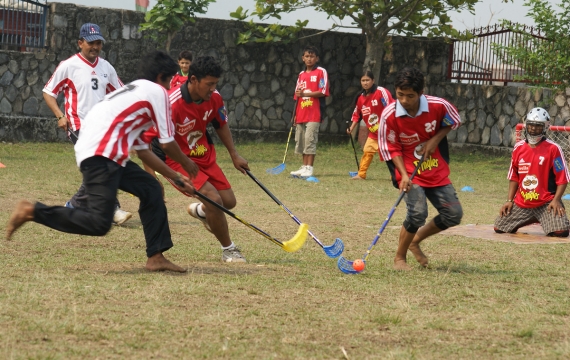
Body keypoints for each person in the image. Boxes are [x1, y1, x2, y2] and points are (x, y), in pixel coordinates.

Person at [6, 51, 199, 272]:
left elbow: (144, 152)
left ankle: (156, 256)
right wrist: (186, 163)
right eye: (171, 79)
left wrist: (174, 177)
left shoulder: (134, 91)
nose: (172, 85)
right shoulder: (157, 92)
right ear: (163, 77)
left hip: (104, 151)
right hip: (103, 154)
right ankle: (33, 211)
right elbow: (166, 143)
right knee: (98, 223)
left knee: (151, 188)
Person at [142, 56, 250, 263]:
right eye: (209, 84)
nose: (213, 89)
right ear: (193, 80)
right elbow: (145, 142)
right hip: (175, 161)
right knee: (215, 201)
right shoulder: (171, 104)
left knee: (228, 201)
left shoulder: (214, 97)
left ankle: (202, 211)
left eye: (215, 84)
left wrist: (234, 155)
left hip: (203, 154)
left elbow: (220, 124)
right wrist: (152, 177)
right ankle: (229, 249)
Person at [43, 22, 132, 225]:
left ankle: (74, 205)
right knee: (100, 164)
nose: (95, 47)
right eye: (91, 43)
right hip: (78, 125)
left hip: (102, 127)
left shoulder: (106, 67)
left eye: (98, 43)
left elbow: (120, 93)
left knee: (101, 166)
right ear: (80, 43)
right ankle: (113, 208)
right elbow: (48, 92)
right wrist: (59, 116)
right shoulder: (68, 66)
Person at [378, 67, 463, 271]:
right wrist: (404, 176)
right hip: (407, 169)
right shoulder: (389, 114)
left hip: (434, 167)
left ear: (420, 92)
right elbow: (390, 147)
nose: (405, 101)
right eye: (400, 95)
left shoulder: (438, 105)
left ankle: (415, 240)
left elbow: (454, 121)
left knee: (453, 214)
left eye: (410, 96)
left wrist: (435, 140)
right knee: (417, 213)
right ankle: (399, 258)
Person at [494, 108, 570, 237]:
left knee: (560, 231)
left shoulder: (554, 149)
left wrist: (556, 200)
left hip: (546, 202)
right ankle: (532, 218)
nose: (533, 128)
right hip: (523, 203)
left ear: (545, 127)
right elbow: (514, 177)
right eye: (531, 125)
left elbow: (562, 178)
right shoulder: (518, 148)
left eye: (538, 126)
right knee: (499, 227)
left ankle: (544, 217)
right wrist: (509, 200)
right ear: (526, 125)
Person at [289, 45, 330, 178]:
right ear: (303, 58)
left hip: (314, 113)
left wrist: (308, 93)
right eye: (307, 56)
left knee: (310, 140)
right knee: (301, 141)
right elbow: (297, 95)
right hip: (301, 113)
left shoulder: (321, 72)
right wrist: (294, 115)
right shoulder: (301, 75)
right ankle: (303, 167)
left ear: (317, 58)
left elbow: (323, 91)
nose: (309, 59)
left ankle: (309, 168)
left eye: (312, 56)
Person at [346, 70, 394, 180]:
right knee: (367, 151)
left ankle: (396, 175)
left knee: (392, 154)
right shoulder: (360, 98)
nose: (365, 83)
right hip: (373, 133)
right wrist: (351, 128)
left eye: (367, 80)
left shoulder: (381, 91)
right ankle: (361, 174)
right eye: (363, 80)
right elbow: (356, 114)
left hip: (387, 131)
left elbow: (391, 107)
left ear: (373, 81)